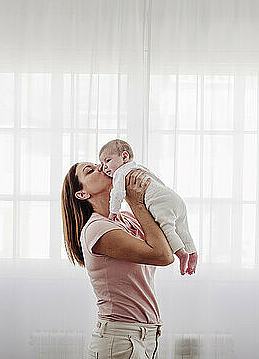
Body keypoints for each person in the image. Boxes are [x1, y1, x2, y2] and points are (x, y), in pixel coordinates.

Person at [62, 163, 172, 359]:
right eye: (90, 170)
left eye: (99, 164)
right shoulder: (97, 228)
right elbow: (163, 256)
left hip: (147, 336)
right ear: (82, 194)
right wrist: (136, 202)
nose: (101, 167)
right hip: (120, 340)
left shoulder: (127, 218)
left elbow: (168, 243)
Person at [99, 139, 198, 275]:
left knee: (167, 228)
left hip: (159, 201)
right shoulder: (138, 167)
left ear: (124, 156)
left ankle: (181, 254)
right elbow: (156, 178)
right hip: (172, 196)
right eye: (102, 163)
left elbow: (117, 193)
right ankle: (192, 253)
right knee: (182, 228)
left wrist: (113, 212)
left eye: (107, 160)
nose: (104, 167)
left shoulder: (120, 173)